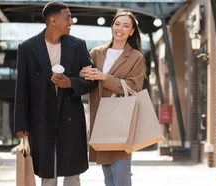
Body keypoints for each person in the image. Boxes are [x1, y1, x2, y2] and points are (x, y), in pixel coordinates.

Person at [14, 1, 97, 186]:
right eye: (67, 17)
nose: (71, 21)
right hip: (41, 118)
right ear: (53, 20)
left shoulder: (78, 45)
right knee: (48, 175)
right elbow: (22, 89)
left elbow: (92, 80)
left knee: (73, 173)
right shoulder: (27, 48)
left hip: (71, 117)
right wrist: (21, 123)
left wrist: (70, 83)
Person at [80, 11, 146, 186]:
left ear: (132, 31)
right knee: (108, 175)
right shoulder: (96, 53)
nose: (120, 29)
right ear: (112, 27)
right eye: (117, 24)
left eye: (126, 26)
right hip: (100, 119)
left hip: (121, 120)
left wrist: (104, 78)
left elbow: (134, 87)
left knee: (121, 175)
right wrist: (85, 73)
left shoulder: (135, 57)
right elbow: (82, 73)